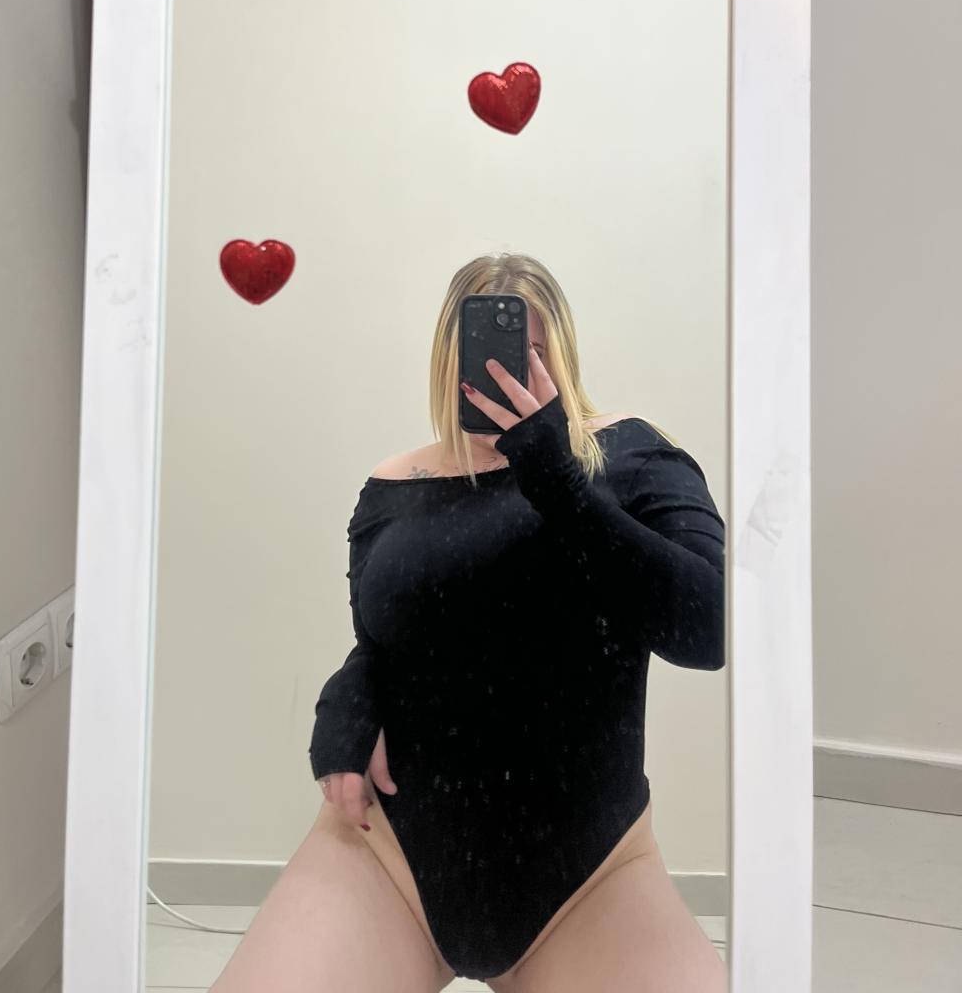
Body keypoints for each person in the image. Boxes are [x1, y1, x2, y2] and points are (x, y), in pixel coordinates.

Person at [211, 253, 726, 992]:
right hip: (387, 854)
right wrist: (348, 698)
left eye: (528, 355)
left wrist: (554, 474)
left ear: (560, 357)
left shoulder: (631, 455)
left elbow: (710, 627)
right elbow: (386, 640)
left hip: (591, 875)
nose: (503, 376)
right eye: (480, 356)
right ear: (446, 362)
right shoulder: (393, 486)